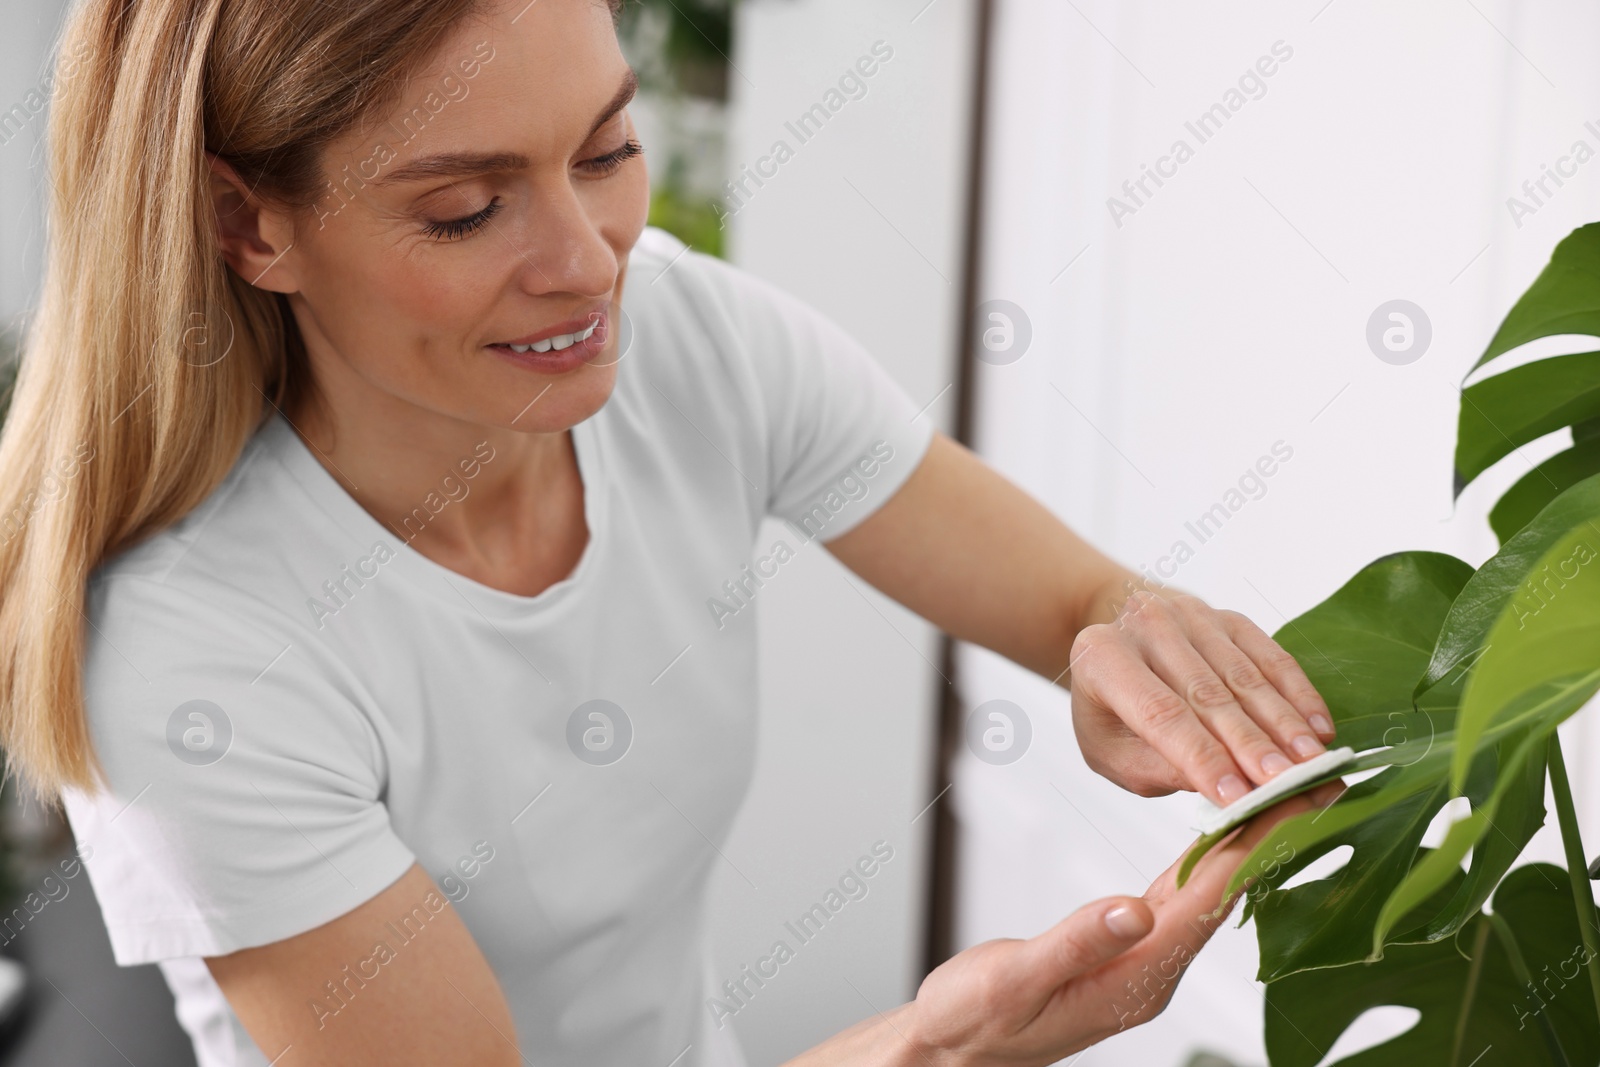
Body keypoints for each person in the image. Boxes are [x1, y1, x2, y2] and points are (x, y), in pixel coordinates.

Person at [0, 0, 1341, 1064]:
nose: (588, 258)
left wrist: (1132, 657)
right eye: (469, 208)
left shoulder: (684, 340)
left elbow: (1078, 607)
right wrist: (929, 1059)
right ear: (251, 225)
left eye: (604, 151)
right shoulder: (197, 654)